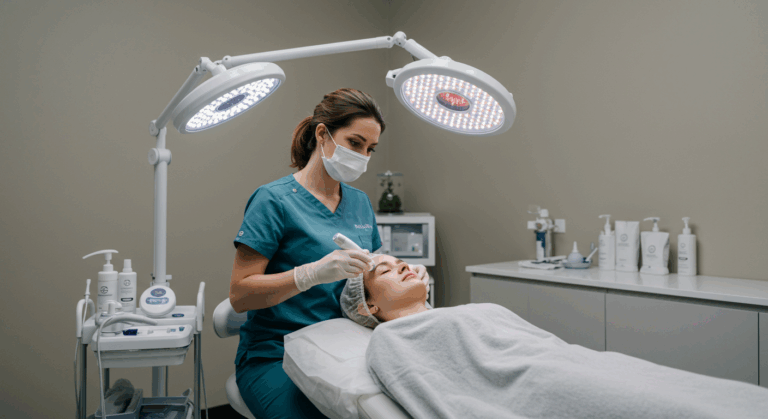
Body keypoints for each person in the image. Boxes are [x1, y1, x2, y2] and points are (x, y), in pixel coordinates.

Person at [229, 88, 430, 419]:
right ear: (322, 134)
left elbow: (370, 287)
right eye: (355, 143)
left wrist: (409, 278)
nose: (363, 156)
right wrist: (309, 274)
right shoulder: (272, 201)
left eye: (370, 149)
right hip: (277, 353)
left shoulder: (360, 202)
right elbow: (240, 295)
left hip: (347, 346)